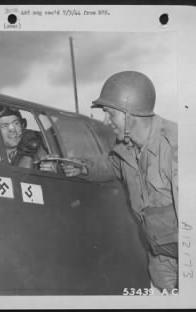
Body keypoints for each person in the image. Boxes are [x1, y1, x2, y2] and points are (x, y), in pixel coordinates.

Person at [62, 71, 178, 293]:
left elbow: (195, 226)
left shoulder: (174, 147)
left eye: (109, 114)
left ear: (128, 114)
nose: (106, 121)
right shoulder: (126, 147)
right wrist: (84, 167)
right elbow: (112, 167)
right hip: (161, 254)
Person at [0, 104, 56, 172]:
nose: (12, 129)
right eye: (4, 126)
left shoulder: (35, 145)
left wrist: (53, 169)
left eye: (16, 123)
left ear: (22, 125)